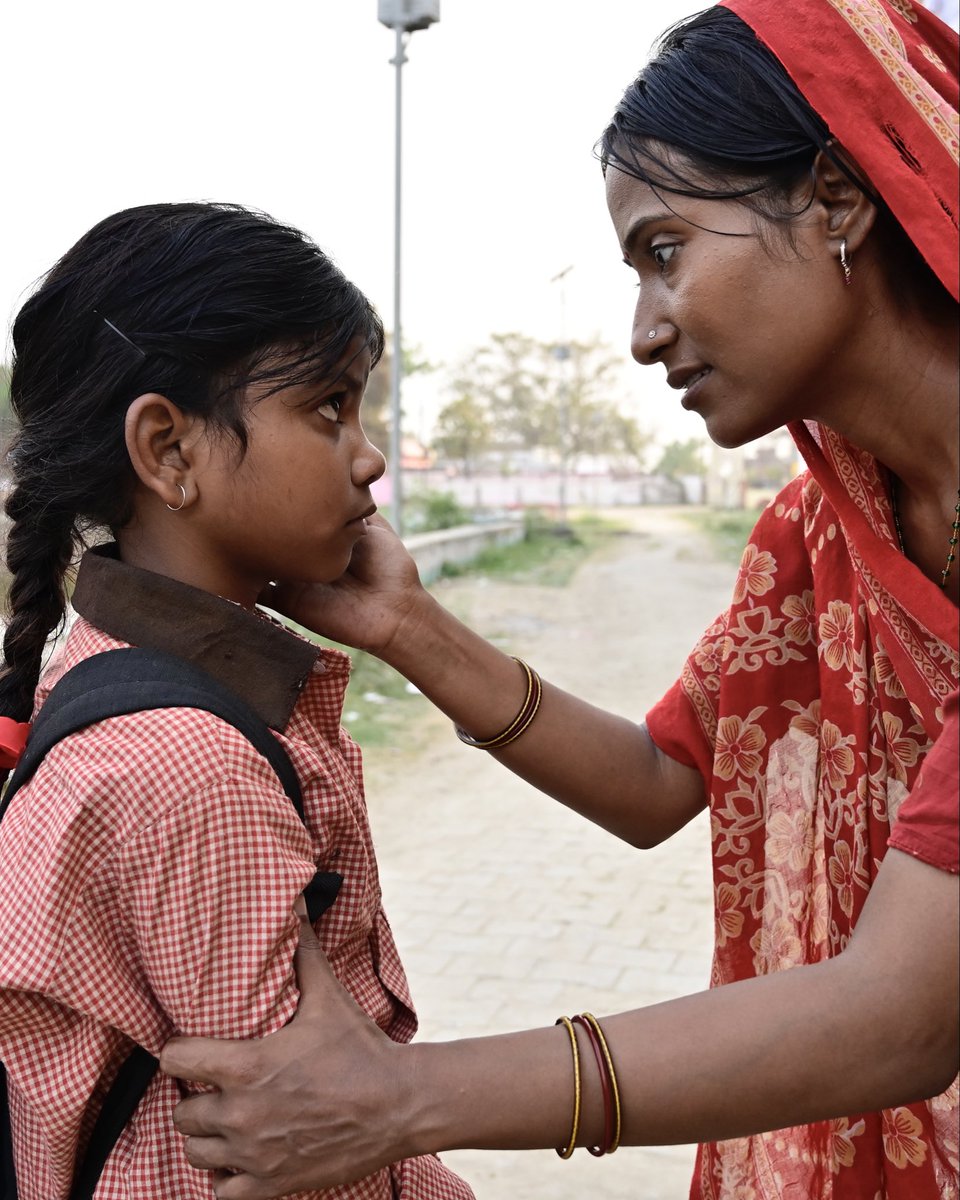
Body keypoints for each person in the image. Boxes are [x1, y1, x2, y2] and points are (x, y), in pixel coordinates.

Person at [159, 2, 959, 1198]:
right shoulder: (814, 539)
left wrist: (407, 1099)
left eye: (666, 249)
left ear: (838, 197)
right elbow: (660, 786)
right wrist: (407, 630)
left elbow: (901, 1012)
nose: (643, 332)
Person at [0, 203, 474, 1200]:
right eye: (329, 408)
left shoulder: (107, 669)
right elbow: (319, 1151)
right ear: (169, 452)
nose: (369, 454)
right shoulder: (192, 765)